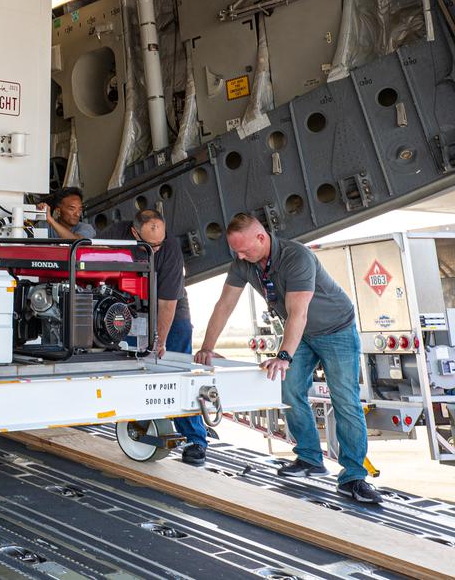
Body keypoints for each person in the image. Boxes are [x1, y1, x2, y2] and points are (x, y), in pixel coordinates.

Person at [194, 213, 380, 504]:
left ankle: (353, 477)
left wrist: (283, 355)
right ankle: (310, 459)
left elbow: (298, 313)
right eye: (236, 251)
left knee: (345, 399)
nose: (240, 256)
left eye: (244, 249)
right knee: (288, 390)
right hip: (301, 334)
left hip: (335, 329)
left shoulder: (297, 257)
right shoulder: (244, 263)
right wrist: (207, 347)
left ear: (261, 237)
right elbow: (224, 304)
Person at [100, 209, 207, 465]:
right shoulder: (117, 233)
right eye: (151, 245)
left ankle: (195, 439)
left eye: (160, 242)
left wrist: (159, 340)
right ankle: (139, 424)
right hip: (130, 309)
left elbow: (167, 303)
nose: (157, 248)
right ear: (134, 233)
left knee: (177, 371)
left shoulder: (170, 248)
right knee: (132, 369)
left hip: (171, 313)